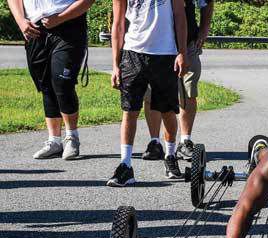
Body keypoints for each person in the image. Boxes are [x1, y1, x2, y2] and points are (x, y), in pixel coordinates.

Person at [107, 0, 188, 186]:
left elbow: (179, 16)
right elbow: (118, 23)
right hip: (132, 53)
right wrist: (115, 64)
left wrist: (182, 52)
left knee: (167, 110)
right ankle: (125, 165)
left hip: (165, 53)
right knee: (129, 111)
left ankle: (170, 155)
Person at [8, 0, 93, 160]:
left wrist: (61, 17)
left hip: (69, 24)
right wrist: (20, 21)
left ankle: (71, 137)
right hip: (35, 28)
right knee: (45, 84)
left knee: (62, 82)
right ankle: (54, 141)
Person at [141, 0, 214, 161]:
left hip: (187, 44)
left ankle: (185, 141)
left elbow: (207, 3)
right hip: (155, 45)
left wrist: (204, 31)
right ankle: (155, 143)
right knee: (151, 94)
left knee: (188, 91)